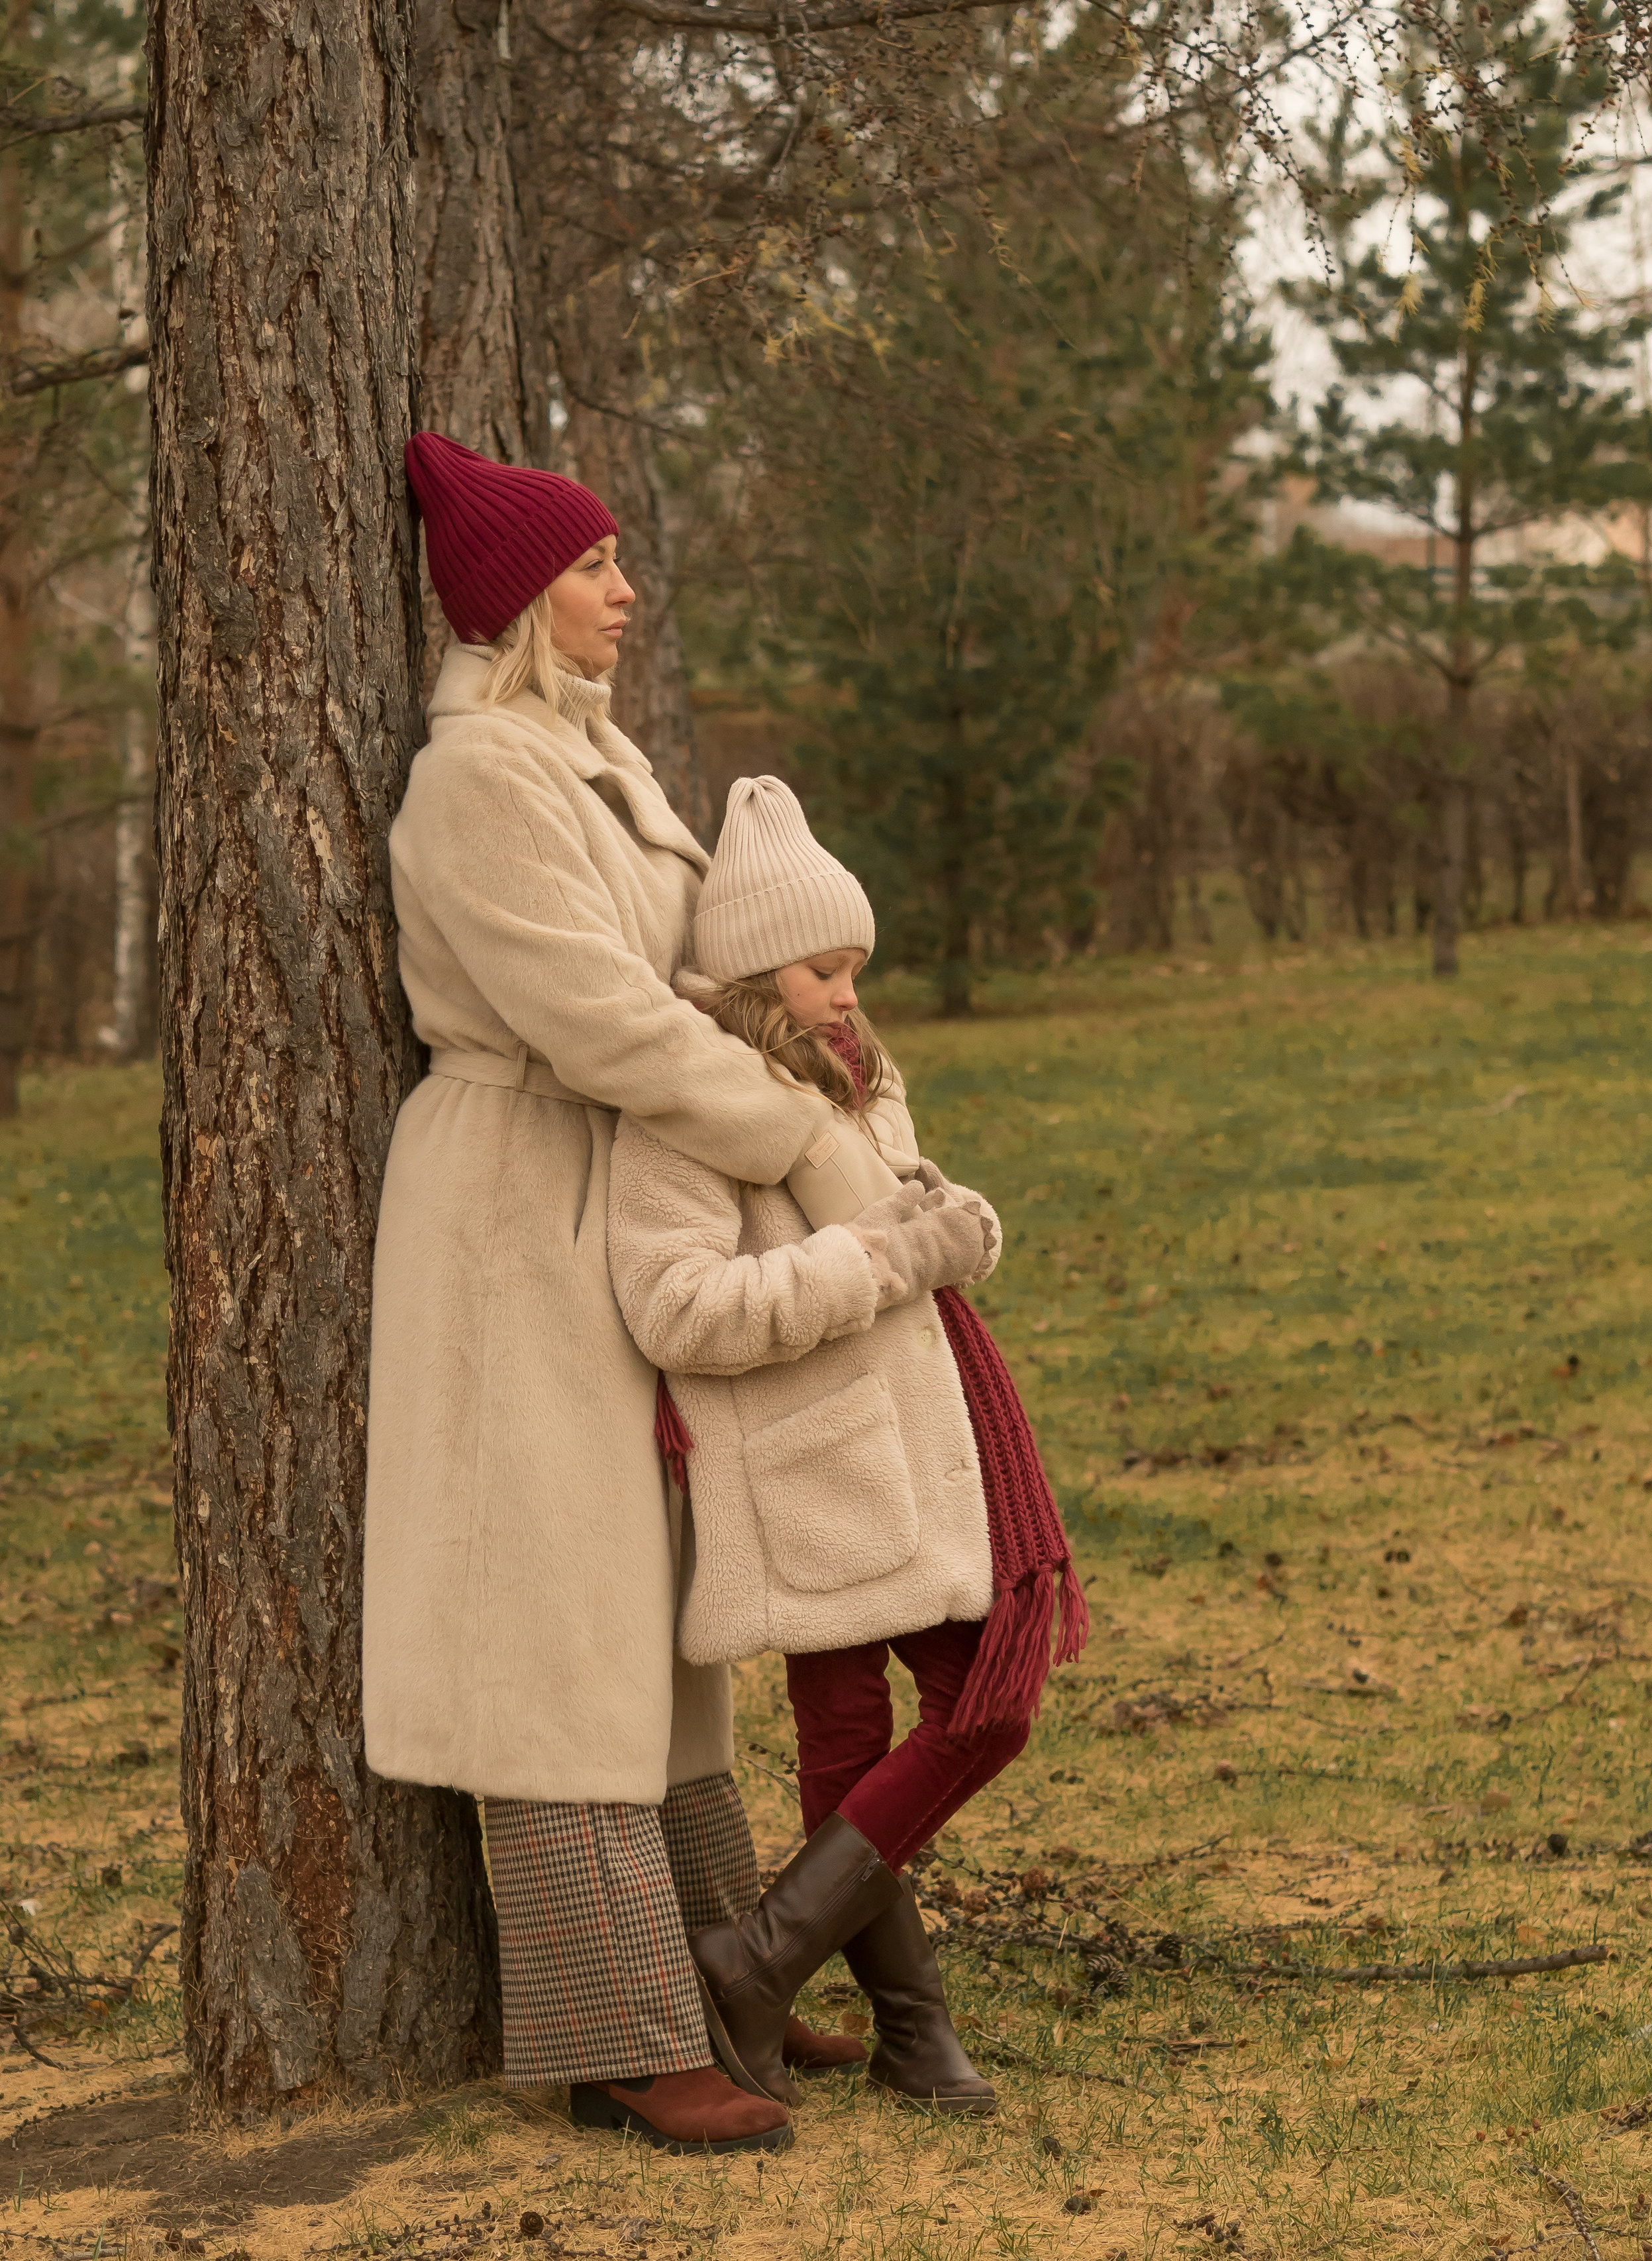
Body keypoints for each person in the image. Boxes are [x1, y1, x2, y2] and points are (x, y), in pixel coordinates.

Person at [362, 437, 862, 2157]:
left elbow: (695, 981)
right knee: (554, 1620)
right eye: (592, 565)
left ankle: (721, 1978)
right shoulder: (479, 780)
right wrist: (795, 1137)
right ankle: (619, 2035)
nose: (625, 590)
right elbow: (601, 1019)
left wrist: (813, 1052)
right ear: (519, 598)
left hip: (630, 1189)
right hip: (519, 1213)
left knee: (653, 1607)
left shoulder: (604, 762)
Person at [605, 776, 1088, 2115]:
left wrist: (946, 1224)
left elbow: (898, 1225)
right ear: (758, 966)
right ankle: (823, 1991)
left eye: (855, 968)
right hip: (805, 1463)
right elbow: (675, 1306)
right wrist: (874, 1259)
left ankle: (817, 1986)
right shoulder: (690, 1103)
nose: (847, 993)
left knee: (961, 1713)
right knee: (909, 1720)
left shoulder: (858, 1076)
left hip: (909, 1448)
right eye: (823, 969)